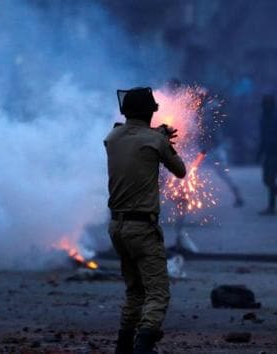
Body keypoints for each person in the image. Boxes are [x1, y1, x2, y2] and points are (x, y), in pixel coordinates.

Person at [105, 87, 186, 354]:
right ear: (149, 112)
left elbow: (134, 140)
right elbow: (180, 171)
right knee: (158, 293)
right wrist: (162, 139)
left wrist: (156, 136)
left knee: (134, 291)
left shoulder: (113, 137)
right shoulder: (155, 140)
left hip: (117, 227)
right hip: (142, 228)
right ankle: (143, 346)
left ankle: (123, 346)